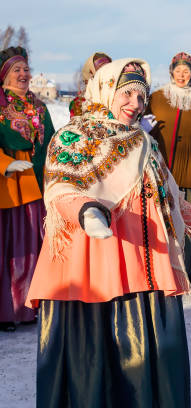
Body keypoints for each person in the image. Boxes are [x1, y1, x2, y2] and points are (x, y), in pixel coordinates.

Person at [26, 58, 191, 407]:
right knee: (98, 366)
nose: (135, 104)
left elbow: (173, 201)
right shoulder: (73, 136)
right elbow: (61, 188)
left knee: (147, 370)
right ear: (106, 91)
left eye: (141, 96)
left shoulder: (145, 144)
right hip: (91, 272)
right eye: (126, 93)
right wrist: (87, 211)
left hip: (145, 270)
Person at [144, 51, 191, 285]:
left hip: (189, 169)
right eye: (178, 70)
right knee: (162, 217)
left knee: (187, 220)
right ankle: (162, 267)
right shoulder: (156, 97)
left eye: (187, 71)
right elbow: (138, 121)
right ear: (171, 71)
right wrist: (143, 128)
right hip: (161, 166)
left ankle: (186, 269)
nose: (182, 75)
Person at [0, 46, 54, 332]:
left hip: (36, 188)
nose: (24, 74)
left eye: (25, 69)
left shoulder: (40, 107)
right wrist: (6, 163)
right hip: (8, 189)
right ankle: (6, 310)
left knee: (33, 250)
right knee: (10, 253)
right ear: (5, 75)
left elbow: (52, 144)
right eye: (16, 70)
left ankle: (30, 308)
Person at [69, 52, 111, 117]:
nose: (106, 72)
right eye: (101, 68)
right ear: (91, 73)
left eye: (109, 67)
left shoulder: (118, 96)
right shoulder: (79, 103)